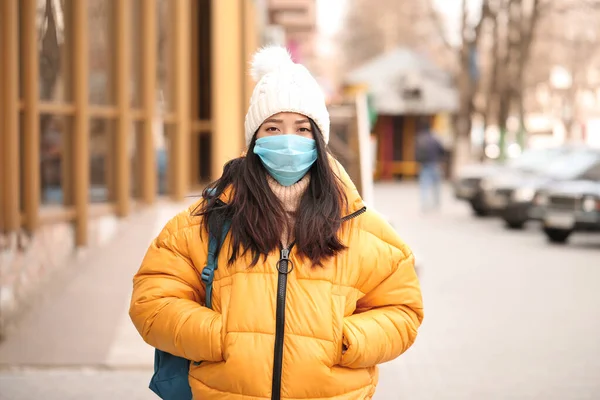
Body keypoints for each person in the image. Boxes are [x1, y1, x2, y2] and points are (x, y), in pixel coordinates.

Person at [129, 46, 423, 400]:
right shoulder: (205, 221)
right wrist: (218, 335)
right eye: (273, 127)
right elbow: (152, 301)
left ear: (319, 139)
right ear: (255, 138)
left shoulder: (363, 228)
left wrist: (346, 340)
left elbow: (402, 311)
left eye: (302, 128)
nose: (288, 140)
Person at [415, 117, 445, 212]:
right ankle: (436, 204)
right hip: (435, 164)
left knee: (424, 185)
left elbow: (416, 153)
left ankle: (424, 204)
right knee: (436, 186)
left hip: (424, 165)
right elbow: (442, 150)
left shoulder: (420, 138)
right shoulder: (434, 138)